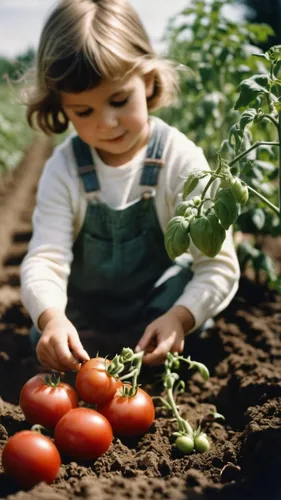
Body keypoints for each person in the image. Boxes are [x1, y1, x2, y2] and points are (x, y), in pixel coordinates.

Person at [20, 0, 240, 373]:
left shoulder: (180, 159)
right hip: (86, 312)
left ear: (149, 81)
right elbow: (46, 258)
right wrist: (52, 319)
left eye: (119, 100)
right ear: (61, 107)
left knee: (192, 304)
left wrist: (182, 318)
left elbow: (218, 266)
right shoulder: (64, 168)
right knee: (42, 326)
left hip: (156, 307)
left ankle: (163, 336)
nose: (106, 123)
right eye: (83, 112)